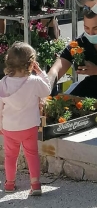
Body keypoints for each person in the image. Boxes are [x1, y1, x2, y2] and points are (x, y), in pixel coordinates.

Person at [0, 42, 51, 195]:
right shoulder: (34, 81)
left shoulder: (2, 84)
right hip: (29, 126)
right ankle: (35, 185)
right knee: (32, 154)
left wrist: (0, 125)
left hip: (9, 127)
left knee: (10, 156)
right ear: (31, 64)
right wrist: (41, 73)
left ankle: (9, 184)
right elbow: (47, 90)